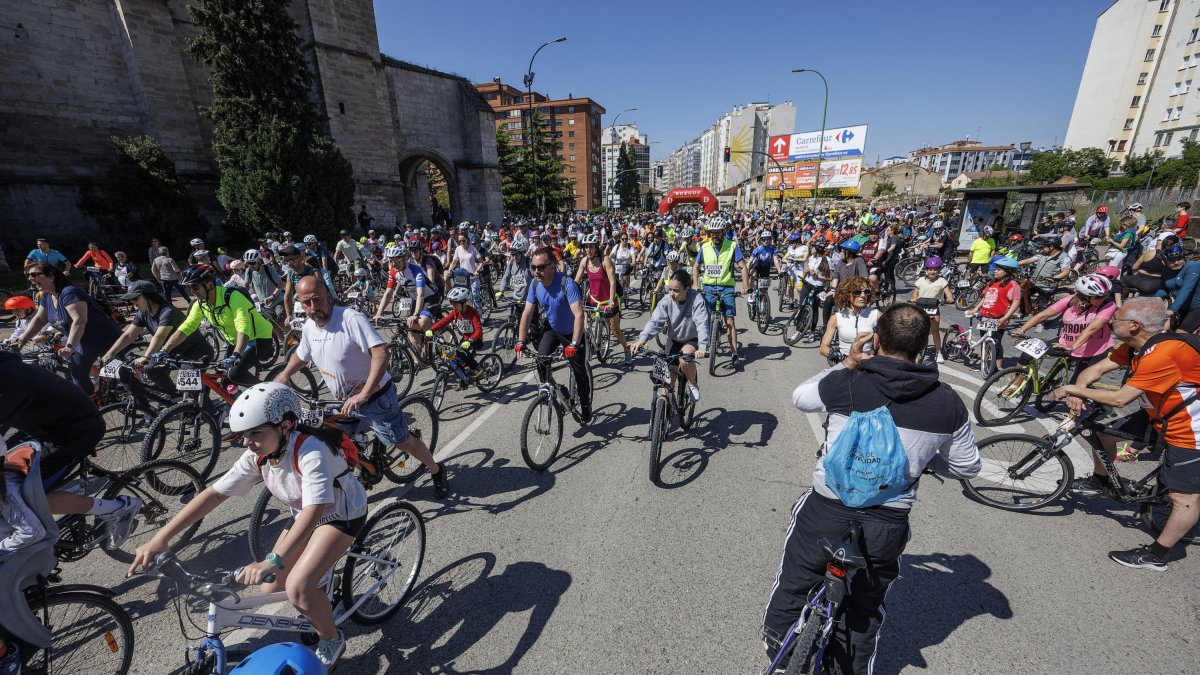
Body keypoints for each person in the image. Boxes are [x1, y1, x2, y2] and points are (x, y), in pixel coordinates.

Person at [763, 303, 982, 672]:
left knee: (796, 580)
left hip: (827, 507)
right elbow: (967, 466)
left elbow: (801, 398)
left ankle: (780, 650)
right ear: (924, 346)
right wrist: (926, 458)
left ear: (876, 339)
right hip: (887, 519)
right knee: (863, 610)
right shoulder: (947, 402)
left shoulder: (850, 379)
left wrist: (847, 363)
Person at [127, 382, 368, 668]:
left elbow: (315, 510)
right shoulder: (261, 454)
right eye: (243, 434)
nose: (246, 442)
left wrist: (273, 559)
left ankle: (332, 638)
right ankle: (323, 581)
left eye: (255, 433)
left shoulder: (311, 451)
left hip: (340, 515)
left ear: (286, 426)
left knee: (299, 588)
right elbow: (214, 494)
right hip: (304, 515)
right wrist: (161, 537)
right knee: (270, 588)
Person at [1050, 298, 1199, 571]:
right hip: (1158, 415)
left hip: (1190, 430)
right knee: (1105, 436)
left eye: (1115, 319)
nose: (1110, 321)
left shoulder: (1162, 355)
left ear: (1134, 325)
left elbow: (1120, 399)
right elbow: (1095, 370)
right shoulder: (1135, 348)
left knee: (1183, 499)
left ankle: (1157, 555)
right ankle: (1101, 479)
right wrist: (1078, 389)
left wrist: (1072, 391)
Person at [272, 277, 448, 498]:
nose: (313, 308)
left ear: (329, 297)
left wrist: (365, 393)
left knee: (403, 442)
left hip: (375, 398)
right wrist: (285, 374)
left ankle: (436, 470)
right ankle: (362, 469)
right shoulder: (309, 326)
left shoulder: (349, 319)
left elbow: (381, 353)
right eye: (307, 303)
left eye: (317, 300)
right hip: (343, 402)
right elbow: (302, 354)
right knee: (329, 439)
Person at [0, 351, 141, 544]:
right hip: (47, 428)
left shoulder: (9, 378)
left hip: (76, 429)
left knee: (24, 495)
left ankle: (116, 508)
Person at [14, 262, 122, 397]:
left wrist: (70, 346)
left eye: (35, 274)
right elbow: (40, 320)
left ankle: (147, 410)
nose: (30, 278)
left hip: (104, 340)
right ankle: (91, 406)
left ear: (51, 276)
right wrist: (21, 340)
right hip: (83, 343)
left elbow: (79, 320)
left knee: (123, 376)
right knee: (78, 375)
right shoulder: (47, 295)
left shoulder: (69, 292)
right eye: (28, 275)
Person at [157, 264, 273, 387]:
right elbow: (186, 327)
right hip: (235, 342)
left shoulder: (232, 297)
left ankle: (271, 393)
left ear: (210, 285)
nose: (192, 293)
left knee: (235, 374)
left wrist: (236, 354)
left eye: (195, 288)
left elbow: (243, 326)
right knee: (224, 380)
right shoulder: (201, 304)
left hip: (258, 338)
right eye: (190, 288)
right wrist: (165, 350)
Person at [100, 280, 216, 402]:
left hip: (197, 352)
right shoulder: (143, 313)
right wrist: (110, 353)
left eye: (135, 298)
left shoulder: (168, 311)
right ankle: (175, 396)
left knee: (188, 384)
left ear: (148, 296)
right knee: (151, 368)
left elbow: (159, 336)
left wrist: (145, 356)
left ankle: (213, 413)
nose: (132, 302)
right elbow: (129, 335)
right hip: (171, 353)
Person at [515, 247, 592, 424]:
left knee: (579, 371)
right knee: (541, 360)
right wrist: (521, 340)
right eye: (533, 267)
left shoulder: (567, 283)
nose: (536, 271)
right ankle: (557, 391)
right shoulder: (534, 284)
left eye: (541, 267)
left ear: (553, 266)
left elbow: (579, 314)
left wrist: (574, 343)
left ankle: (586, 404)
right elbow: (527, 313)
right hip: (552, 328)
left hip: (572, 331)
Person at [1011, 274, 1118, 384]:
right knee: (1027, 355)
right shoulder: (1070, 301)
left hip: (1093, 349)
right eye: (1098, 297)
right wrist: (1022, 329)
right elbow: (1043, 315)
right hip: (1065, 342)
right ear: (1085, 295)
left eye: (1106, 295)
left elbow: (1091, 329)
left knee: (1077, 387)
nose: (1103, 299)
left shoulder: (1108, 305)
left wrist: (1072, 347)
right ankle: (1014, 386)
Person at [630, 269, 709, 402]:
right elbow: (655, 321)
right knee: (666, 383)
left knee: (684, 359)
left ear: (687, 289)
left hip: (692, 339)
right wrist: (642, 340)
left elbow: (702, 323)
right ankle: (662, 416)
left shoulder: (696, 299)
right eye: (670, 289)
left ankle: (692, 384)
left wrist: (702, 347)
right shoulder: (667, 300)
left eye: (676, 290)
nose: (672, 294)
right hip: (674, 339)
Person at [693, 219, 750, 362]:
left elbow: (743, 266)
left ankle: (734, 353)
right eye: (712, 233)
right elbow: (695, 266)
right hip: (709, 287)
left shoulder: (732, 246)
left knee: (730, 321)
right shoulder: (704, 247)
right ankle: (704, 345)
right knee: (705, 318)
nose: (715, 236)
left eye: (717, 233)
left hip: (726, 288)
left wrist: (745, 286)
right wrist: (695, 284)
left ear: (723, 232)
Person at [575, 233, 631, 365]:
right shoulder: (585, 261)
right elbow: (576, 281)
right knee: (583, 323)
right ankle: (590, 342)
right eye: (586, 247)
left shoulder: (605, 260)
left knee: (616, 331)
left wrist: (611, 301)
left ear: (596, 248)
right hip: (593, 299)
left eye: (591, 247)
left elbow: (612, 282)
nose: (588, 250)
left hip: (608, 301)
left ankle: (627, 350)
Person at [425, 285, 484, 386]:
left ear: (464, 303)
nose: (454, 307)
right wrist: (432, 329)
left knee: (462, 353)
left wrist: (470, 340)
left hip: (475, 340)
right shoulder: (456, 312)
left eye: (456, 305)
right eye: (453, 305)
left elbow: (478, 331)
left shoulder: (473, 313)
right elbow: (445, 321)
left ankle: (477, 368)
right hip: (465, 339)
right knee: (454, 355)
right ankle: (464, 377)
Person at [821, 276, 879, 362]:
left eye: (866, 292)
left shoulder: (876, 314)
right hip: (845, 362)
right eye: (857, 292)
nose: (863, 296)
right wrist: (836, 355)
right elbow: (823, 348)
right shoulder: (836, 318)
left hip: (868, 362)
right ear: (847, 294)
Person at [911, 256, 954, 362]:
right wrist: (914, 298)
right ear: (926, 270)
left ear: (939, 270)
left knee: (935, 331)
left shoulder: (941, 281)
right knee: (916, 329)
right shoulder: (921, 280)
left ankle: (939, 352)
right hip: (920, 307)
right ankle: (914, 350)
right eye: (930, 269)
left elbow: (948, 292)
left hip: (933, 308)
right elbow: (916, 292)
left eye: (935, 270)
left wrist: (949, 298)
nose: (932, 272)